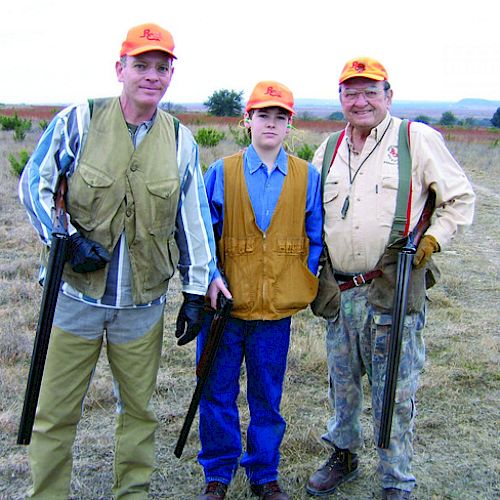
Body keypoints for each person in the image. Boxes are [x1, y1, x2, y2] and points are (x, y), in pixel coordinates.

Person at [18, 22, 228, 499]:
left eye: (162, 67)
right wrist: (65, 240)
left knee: (138, 412)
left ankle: (131, 494)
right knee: (55, 414)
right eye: (141, 65)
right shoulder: (81, 120)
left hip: (142, 306)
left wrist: (196, 292)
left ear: (170, 75)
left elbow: (192, 221)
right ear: (120, 69)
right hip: (74, 298)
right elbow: (35, 183)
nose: (152, 75)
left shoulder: (180, 141)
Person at [305, 57, 475, 499]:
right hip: (340, 291)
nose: (360, 100)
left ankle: (395, 477)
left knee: (395, 390)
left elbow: (459, 199)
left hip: (393, 287)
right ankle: (343, 453)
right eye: (350, 92)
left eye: (369, 91)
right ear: (340, 98)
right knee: (342, 383)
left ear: (388, 95)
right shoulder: (329, 148)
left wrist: (433, 239)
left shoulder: (417, 139)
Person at [195, 81, 323, 500]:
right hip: (225, 312)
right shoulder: (221, 172)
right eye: (262, 115)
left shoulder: (307, 177)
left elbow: (313, 238)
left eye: (280, 117)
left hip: (274, 317)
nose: (271, 123)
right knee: (217, 393)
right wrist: (211, 278)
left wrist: (295, 284)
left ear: (290, 125)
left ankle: (264, 475)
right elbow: (203, 235)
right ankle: (218, 473)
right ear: (246, 120)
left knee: (268, 397)